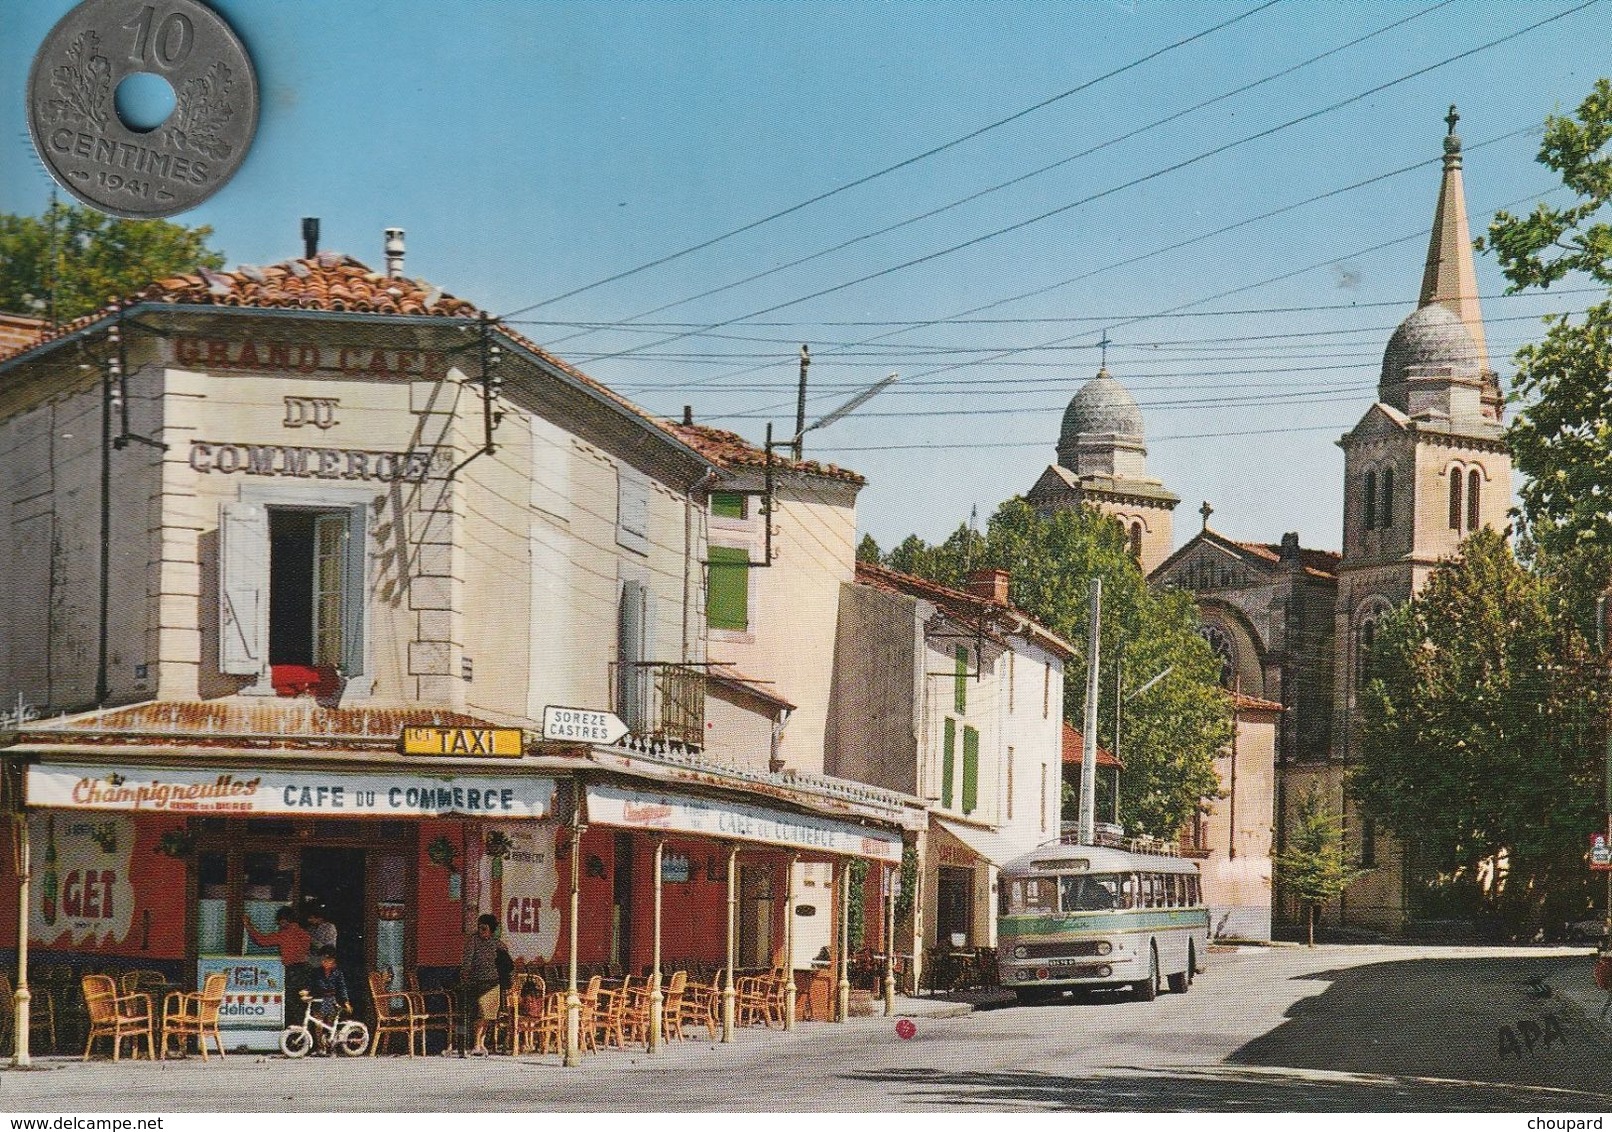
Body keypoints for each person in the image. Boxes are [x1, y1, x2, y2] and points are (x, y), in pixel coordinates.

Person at [247, 906, 312, 1023]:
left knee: (290, 1003)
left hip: (292, 971)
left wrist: (248, 925)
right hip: (305, 970)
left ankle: (293, 1032)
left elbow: (261, 941)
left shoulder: (284, 934)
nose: (278, 926)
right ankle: (304, 1030)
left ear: (284, 921)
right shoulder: (305, 934)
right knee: (302, 1003)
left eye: (279, 922)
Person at [460, 913, 510, 1055]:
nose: (481, 931)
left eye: (484, 928)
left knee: (489, 1016)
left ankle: (481, 1044)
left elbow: (505, 960)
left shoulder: (497, 943)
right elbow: (467, 962)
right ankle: (476, 1044)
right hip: (478, 983)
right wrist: (465, 977)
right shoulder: (473, 941)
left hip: (494, 983)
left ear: (491, 929)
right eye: (479, 928)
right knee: (480, 1015)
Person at [307, 945, 351, 1055]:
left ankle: (331, 1046)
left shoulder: (337, 973)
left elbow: (342, 988)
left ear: (333, 961)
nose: (324, 961)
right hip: (319, 1000)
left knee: (330, 1024)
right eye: (322, 959)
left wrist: (346, 1002)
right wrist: (307, 993)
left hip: (331, 1000)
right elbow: (311, 986)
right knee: (318, 1024)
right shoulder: (316, 972)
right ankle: (320, 1047)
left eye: (327, 959)